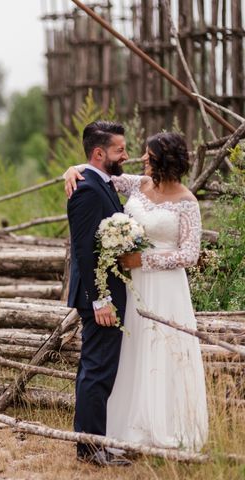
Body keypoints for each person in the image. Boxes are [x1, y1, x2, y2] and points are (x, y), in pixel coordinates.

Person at [64, 131, 208, 456]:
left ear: (162, 159)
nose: (141, 158)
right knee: (134, 352)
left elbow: (190, 254)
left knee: (163, 351)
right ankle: (127, 425)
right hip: (135, 286)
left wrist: (143, 259)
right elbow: (100, 175)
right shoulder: (137, 185)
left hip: (167, 287)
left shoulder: (187, 202)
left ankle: (165, 428)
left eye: (147, 154)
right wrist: (71, 170)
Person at [66, 120, 131, 466]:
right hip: (100, 297)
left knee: (95, 369)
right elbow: (84, 249)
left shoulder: (98, 181)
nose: (126, 154)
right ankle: (91, 450)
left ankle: (90, 444)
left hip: (105, 294)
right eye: (120, 149)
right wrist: (101, 299)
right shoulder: (89, 189)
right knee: (96, 370)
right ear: (99, 153)